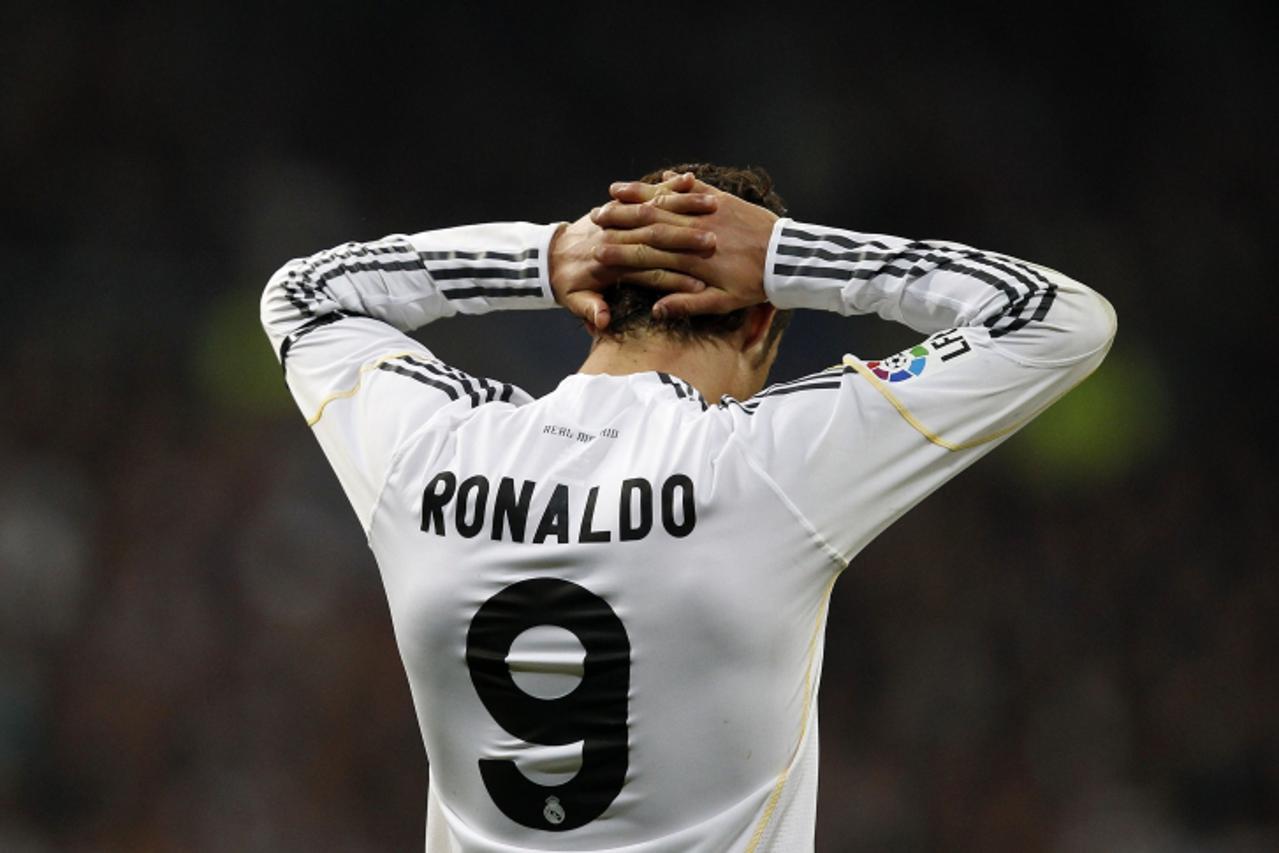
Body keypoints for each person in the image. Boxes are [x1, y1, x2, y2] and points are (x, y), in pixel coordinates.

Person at [260, 163, 1116, 852]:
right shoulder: (765, 467)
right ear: (757, 327)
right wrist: (789, 253)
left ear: (595, 307)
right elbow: (1060, 319)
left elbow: (301, 295)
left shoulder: (431, 453)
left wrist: (542, 254)